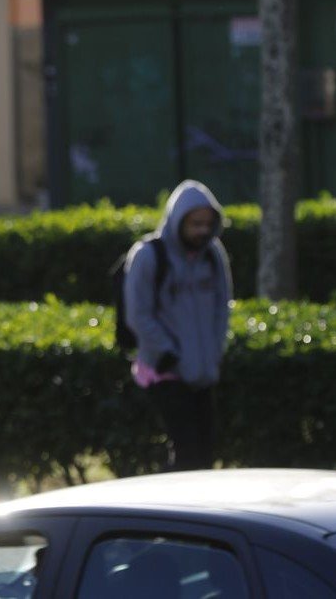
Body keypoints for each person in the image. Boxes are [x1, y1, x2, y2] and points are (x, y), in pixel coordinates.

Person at [124, 180, 233, 471]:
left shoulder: (212, 255)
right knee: (186, 453)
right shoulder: (148, 256)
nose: (201, 231)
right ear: (178, 220)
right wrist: (168, 352)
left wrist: (213, 354)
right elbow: (138, 314)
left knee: (205, 452)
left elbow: (222, 308)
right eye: (195, 223)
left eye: (207, 224)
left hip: (202, 372)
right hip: (165, 372)